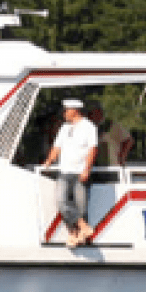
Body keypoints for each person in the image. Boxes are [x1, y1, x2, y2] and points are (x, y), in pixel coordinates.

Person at [40, 98, 97, 248]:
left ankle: (75, 237)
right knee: (61, 201)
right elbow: (57, 147)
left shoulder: (89, 127)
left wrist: (87, 169)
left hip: (80, 172)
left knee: (81, 207)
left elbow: (93, 149)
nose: (64, 113)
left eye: (66, 110)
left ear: (75, 111)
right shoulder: (64, 128)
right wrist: (49, 161)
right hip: (64, 171)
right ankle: (82, 227)